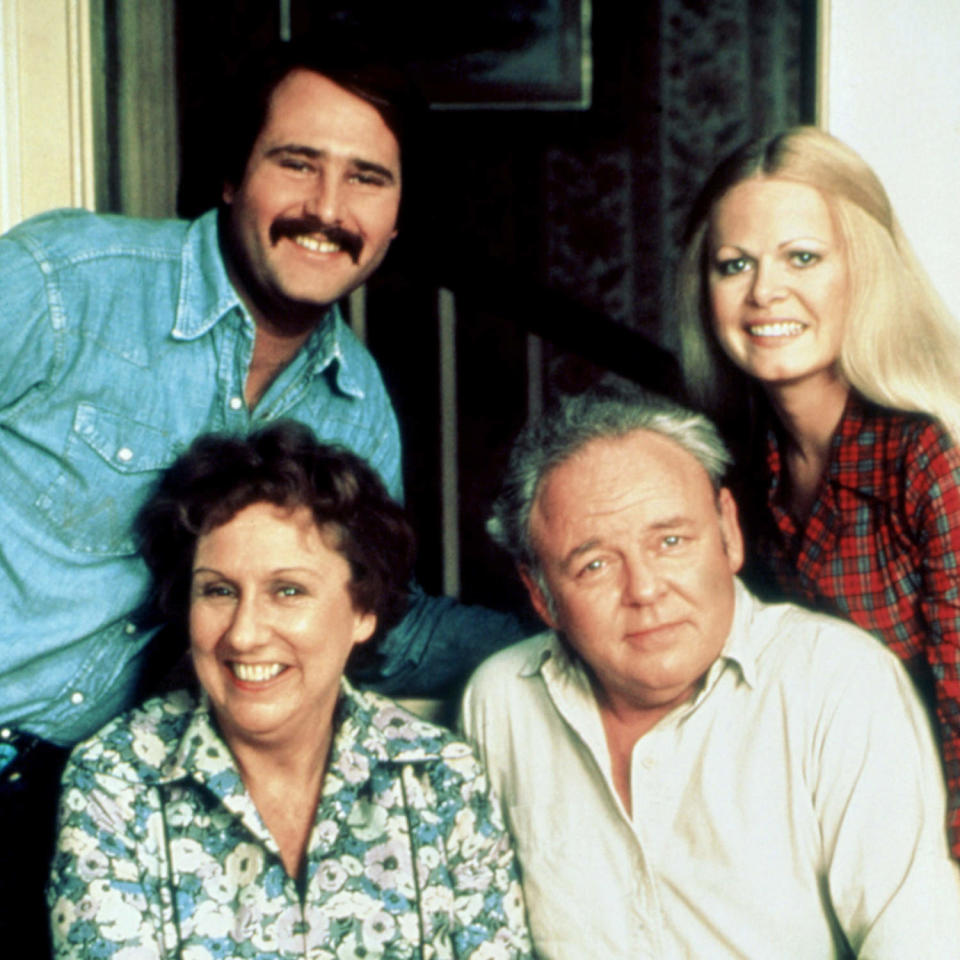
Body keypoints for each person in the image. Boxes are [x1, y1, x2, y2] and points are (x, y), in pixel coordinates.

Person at [0, 40, 528, 947]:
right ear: (233, 177)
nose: (327, 210)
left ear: (396, 220)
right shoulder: (65, 284)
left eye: (367, 178)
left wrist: (576, 630)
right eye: (297, 163)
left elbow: (377, 627)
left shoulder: (354, 415)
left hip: (71, 812)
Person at [461, 387, 960, 959]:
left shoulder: (837, 681)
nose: (644, 591)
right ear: (540, 594)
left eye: (671, 541)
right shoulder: (500, 702)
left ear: (728, 532)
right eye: (594, 565)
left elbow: (917, 940)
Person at [47, 421, 532, 959]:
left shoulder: (441, 777)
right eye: (219, 590)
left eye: (288, 590)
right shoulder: (117, 781)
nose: (245, 633)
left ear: (364, 610)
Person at [674, 125, 960, 859]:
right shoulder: (731, 462)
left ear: (862, 271)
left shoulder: (931, 457)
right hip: (806, 836)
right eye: (734, 264)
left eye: (803, 257)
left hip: (927, 852)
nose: (765, 291)